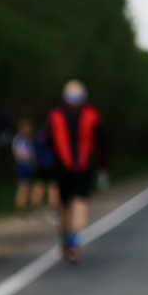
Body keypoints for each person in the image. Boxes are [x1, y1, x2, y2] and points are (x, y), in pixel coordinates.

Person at [48, 80, 106, 261]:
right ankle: (74, 240)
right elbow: (103, 145)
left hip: (61, 167)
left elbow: (46, 143)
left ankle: (66, 241)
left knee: (64, 204)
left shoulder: (55, 116)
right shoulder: (93, 116)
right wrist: (104, 169)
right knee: (81, 202)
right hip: (84, 166)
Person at [9, 117, 42, 215]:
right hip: (24, 165)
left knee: (32, 187)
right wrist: (32, 158)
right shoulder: (20, 139)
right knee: (23, 187)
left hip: (30, 165)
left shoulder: (29, 139)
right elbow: (22, 154)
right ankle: (20, 208)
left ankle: (32, 206)